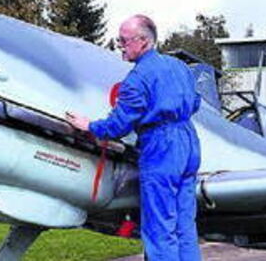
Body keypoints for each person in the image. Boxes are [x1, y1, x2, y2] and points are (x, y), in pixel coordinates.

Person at [65, 14, 201, 260]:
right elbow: (196, 102)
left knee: (160, 227)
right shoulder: (179, 67)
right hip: (189, 142)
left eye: (123, 41)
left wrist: (89, 126)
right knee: (185, 226)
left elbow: (119, 126)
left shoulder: (137, 80)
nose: (120, 47)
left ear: (143, 41)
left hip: (161, 148)